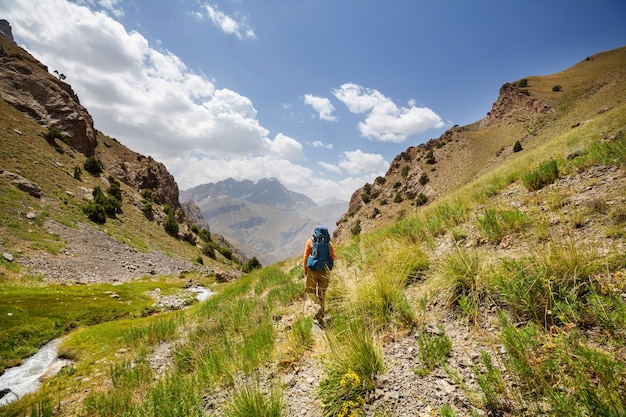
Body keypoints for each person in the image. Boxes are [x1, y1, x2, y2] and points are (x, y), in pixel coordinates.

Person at [302, 226, 336, 323]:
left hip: (312, 271)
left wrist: (305, 270)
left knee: (310, 291)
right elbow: (333, 256)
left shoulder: (310, 242)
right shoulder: (328, 243)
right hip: (325, 271)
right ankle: (321, 315)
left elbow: (305, 257)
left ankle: (317, 308)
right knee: (322, 294)